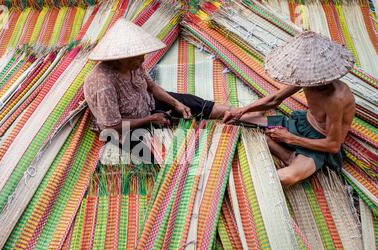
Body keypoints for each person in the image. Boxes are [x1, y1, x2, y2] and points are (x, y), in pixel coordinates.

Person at [223, 31, 356, 186]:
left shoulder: (336, 98)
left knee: (283, 178)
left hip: (318, 144)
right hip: (300, 124)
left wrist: (289, 138)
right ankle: (289, 155)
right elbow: (275, 99)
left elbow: (333, 145)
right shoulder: (307, 76)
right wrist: (242, 110)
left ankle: (289, 155)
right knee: (236, 120)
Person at [83, 18, 231, 135]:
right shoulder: (103, 84)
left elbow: (152, 87)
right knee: (168, 149)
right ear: (121, 58)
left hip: (149, 104)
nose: (142, 60)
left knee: (193, 104)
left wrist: (176, 104)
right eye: (137, 57)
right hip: (125, 130)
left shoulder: (133, 64)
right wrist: (150, 120)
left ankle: (234, 113)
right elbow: (113, 126)